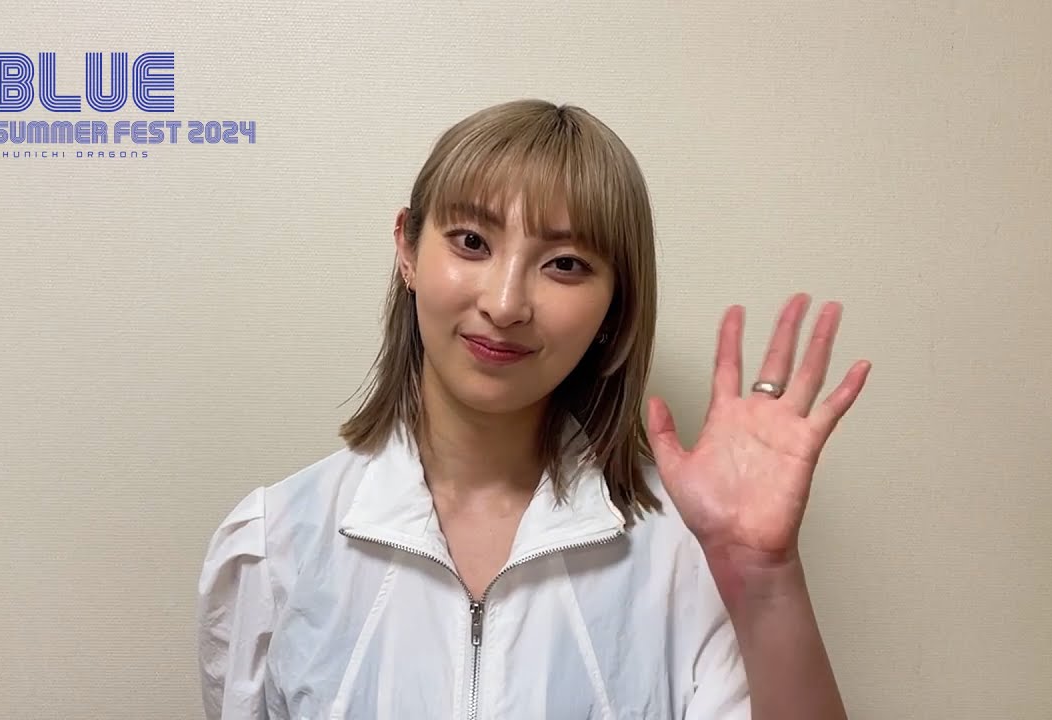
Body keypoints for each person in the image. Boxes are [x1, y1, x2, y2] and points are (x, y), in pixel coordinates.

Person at [196, 99, 871, 719]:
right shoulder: (275, 545)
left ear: (615, 306)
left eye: (566, 264)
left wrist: (764, 577)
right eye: (471, 242)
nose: (505, 304)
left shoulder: (686, 555)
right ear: (407, 248)